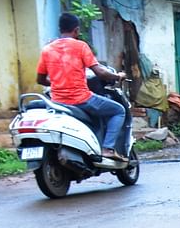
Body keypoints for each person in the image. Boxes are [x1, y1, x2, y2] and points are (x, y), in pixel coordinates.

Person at [37, 13, 127, 161]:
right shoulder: (80, 46)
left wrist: (57, 83)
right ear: (77, 30)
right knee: (119, 110)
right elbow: (100, 72)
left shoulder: (47, 49)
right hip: (81, 100)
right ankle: (107, 149)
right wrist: (118, 76)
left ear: (60, 29)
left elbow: (40, 79)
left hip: (57, 100)